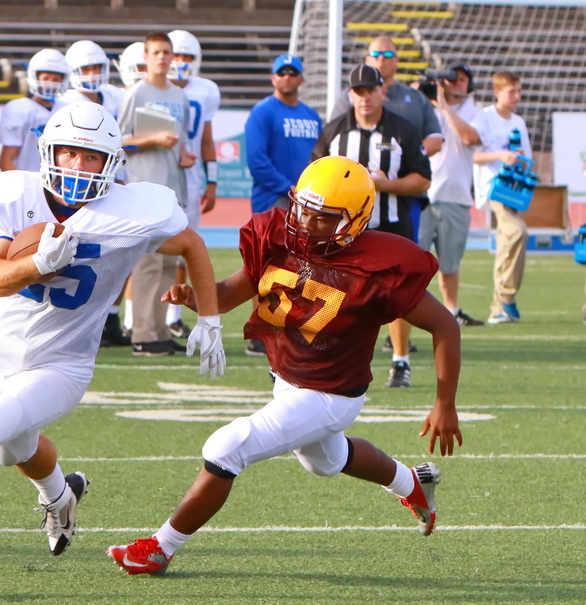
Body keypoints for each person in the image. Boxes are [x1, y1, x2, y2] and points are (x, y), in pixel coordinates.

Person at [0, 102, 226, 568]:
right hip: (2, 353)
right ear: (49, 151)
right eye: (69, 152)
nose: (77, 165)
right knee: (15, 451)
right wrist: (37, 263)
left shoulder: (131, 211)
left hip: (62, 364)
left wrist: (210, 318)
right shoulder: (14, 196)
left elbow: (192, 244)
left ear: (111, 163)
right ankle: (60, 495)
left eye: (91, 156)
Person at [107, 156, 463, 577]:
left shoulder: (377, 268)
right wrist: (194, 298)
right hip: (288, 379)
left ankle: (159, 548)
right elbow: (227, 295)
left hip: (332, 394)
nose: (307, 224)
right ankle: (412, 483)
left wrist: (444, 403)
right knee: (327, 460)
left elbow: (445, 326)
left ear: (355, 221)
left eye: (323, 218)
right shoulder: (279, 240)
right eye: (304, 210)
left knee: (228, 447)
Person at [312, 65, 431, 388]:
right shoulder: (334, 131)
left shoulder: (403, 130)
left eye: (370, 90)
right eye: (359, 91)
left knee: (400, 294)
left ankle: (400, 359)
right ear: (351, 95)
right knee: (333, 291)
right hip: (342, 231)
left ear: (382, 92)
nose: (365, 97)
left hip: (391, 226)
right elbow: (315, 173)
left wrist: (386, 184)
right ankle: (327, 358)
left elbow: (423, 179)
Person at [118, 32, 195, 356]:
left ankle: (160, 330)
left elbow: (181, 141)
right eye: (157, 52)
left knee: (167, 264)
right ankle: (143, 333)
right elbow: (120, 141)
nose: (162, 57)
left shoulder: (180, 96)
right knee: (148, 265)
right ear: (146, 57)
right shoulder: (137, 93)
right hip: (145, 189)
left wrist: (184, 156)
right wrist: (151, 140)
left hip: (172, 188)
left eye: (167, 52)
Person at [243, 53, 321, 356]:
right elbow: (257, 161)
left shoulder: (312, 116)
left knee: (305, 265)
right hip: (274, 200)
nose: (287, 77)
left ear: (301, 78)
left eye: (292, 72)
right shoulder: (262, 112)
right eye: (282, 72)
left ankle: (294, 327)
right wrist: (290, 189)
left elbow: (320, 159)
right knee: (267, 263)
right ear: (273, 77)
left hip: (307, 203)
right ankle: (261, 333)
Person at [330, 36, 443, 243]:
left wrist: (398, 156)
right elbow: (335, 143)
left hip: (406, 195)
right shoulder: (347, 97)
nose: (381, 59)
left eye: (388, 54)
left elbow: (435, 140)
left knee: (404, 253)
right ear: (367, 59)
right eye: (375, 54)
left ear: (397, 60)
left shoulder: (416, 97)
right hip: (352, 198)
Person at [61, 39, 130, 347]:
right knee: (79, 253)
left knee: (120, 252)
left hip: (113, 179)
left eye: (96, 67)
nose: (92, 74)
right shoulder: (65, 101)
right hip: (79, 185)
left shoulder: (116, 95)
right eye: (85, 68)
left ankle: (110, 318)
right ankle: (78, 319)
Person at [164, 29, 221, 340]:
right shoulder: (156, 87)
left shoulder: (206, 90)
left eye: (187, 56)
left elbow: (207, 141)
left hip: (191, 178)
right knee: (146, 250)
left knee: (186, 246)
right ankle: (134, 318)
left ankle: (173, 316)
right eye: (177, 55)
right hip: (159, 174)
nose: (181, 62)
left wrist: (212, 182)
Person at [420, 62, 486, 327]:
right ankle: (403, 317)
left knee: (450, 264)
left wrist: (445, 107)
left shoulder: (476, 112)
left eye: (462, 79)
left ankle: (452, 310)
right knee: (414, 262)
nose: (456, 82)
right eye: (451, 78)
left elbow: (470, 137)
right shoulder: (425, 108)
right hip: (423, 194)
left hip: (455, 196)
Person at [473, 71, 531, 324]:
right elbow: (473, 155)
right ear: (497, 92)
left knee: (512, 238)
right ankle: (504, 299)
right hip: (493, 186)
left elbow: (527, 159)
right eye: (512, 91)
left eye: (519, 90)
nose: (517, 95)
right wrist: (500, 155)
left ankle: (502, 304)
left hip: (513, 188)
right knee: (517, 232)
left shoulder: (519, 122)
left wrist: (520, 160)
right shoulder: (484, 117)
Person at [0, 49, 68, 173]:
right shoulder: (19, 109)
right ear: (34, 77)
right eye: (46, 78)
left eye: (55, 79)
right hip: (26, 179)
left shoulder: (67, 109)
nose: (50, 84)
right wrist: (21, 183)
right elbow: (6, 160)